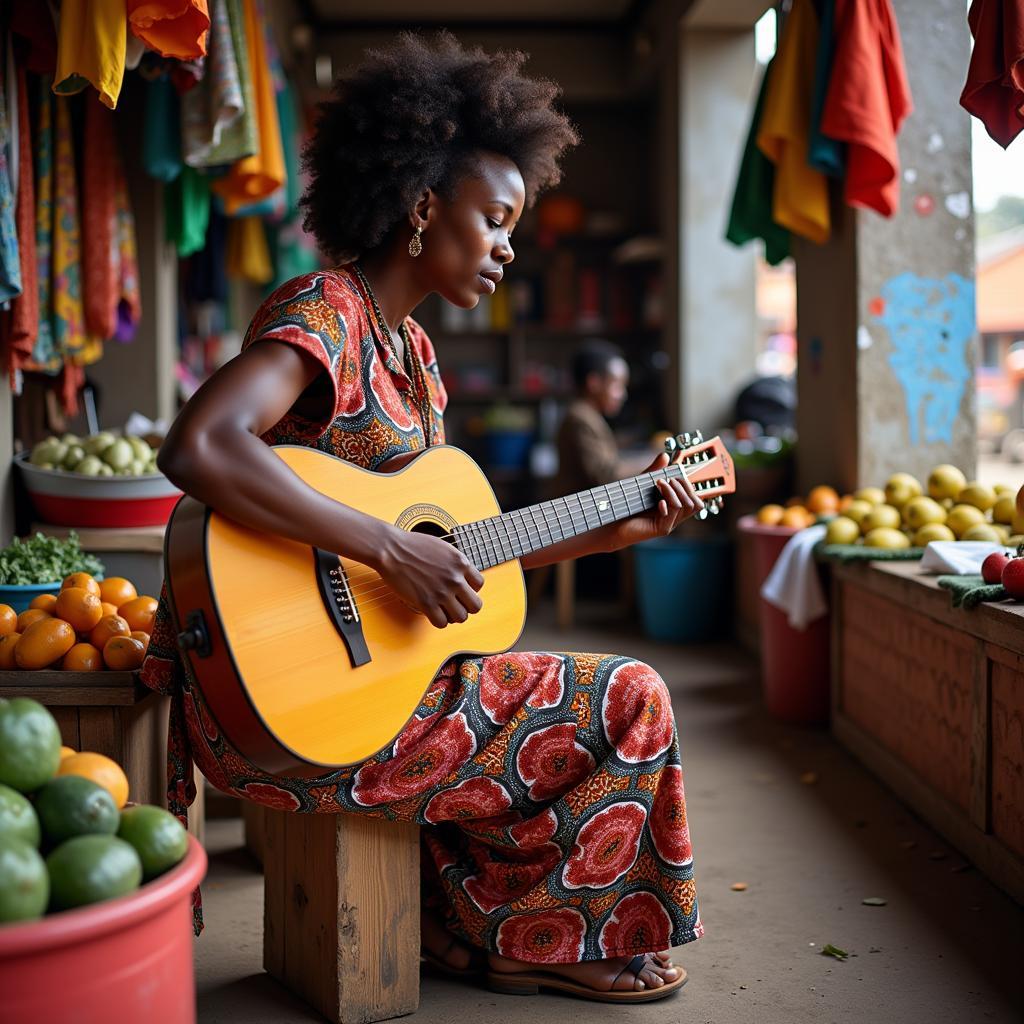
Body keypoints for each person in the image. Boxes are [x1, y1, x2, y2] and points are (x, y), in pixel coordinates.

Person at [143, 32, 705, 1003]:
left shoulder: (414, 360)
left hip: (371, 690)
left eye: (511, 224)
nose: (507, 244)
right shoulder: (325, 310)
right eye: (493, 218)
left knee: (530, 669)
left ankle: (468, 928)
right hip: (281, 707)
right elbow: (200, 443)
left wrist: (626, 521)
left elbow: (471, 551)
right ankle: (541, 939)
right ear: (419, 205)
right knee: (629, 695)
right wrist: (385, 547)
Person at [555, 340, 654, 497]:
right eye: (617, 385)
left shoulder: (587, 415)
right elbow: (606, 475)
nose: (623, 395)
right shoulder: (580, 419)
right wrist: (655, 460)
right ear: (593, 383)